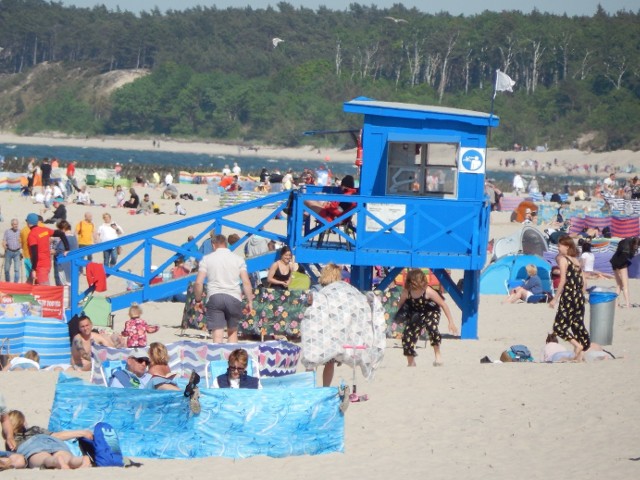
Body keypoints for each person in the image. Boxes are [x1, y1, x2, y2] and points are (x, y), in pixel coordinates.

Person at [193, 234, 254, 343]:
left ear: (213, 244)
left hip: (214, 296)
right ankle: (233, 358)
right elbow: (246, 282)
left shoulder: (206, 259)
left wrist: (198, 300)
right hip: (233, 296)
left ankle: (218, 357)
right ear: (226, 244)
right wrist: (249, 301)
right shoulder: (238, 259)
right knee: (232, 332)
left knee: (217, 333)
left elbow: (198, 283)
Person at [397, 268, 458, 367]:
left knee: (431, 327)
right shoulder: (406, 292)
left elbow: (443, 305)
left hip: (431, 310)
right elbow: (400, 305)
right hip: (415, 311)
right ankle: (411, 362)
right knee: (407, 336)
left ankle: (437, 355)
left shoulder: (428, 291)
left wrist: (451, 322)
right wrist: (400, 318)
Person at [548, 236, 590, 361]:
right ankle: (580, 356)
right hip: (578, 297)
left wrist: (555, 299)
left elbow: (562, 281)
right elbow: (584, 282)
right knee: (576, 325)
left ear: (567, 246)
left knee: (559, 328)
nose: (558, 247)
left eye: (560, 245)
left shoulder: (564, 260)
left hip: (568, 296)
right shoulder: (576, 261)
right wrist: (581, 296)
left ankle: (578, 346)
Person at [8, 410, 91, 469]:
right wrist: (83, 433)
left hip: (32, 447)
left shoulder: (11, 440)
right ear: (23, 423)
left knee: (45, 460)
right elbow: (57, 436)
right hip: (50, 440)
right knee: (68, 459)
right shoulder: (35, 429)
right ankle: (81, 459)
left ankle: (56, 461)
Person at [609, 236, 640, 308]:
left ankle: (616, 304)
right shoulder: (630, 249)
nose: (636, 247)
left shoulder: (625, 243)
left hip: (614, 262)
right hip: (622, 264)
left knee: (619, 285)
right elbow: (629, 256)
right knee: (625, 285)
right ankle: (627, 303)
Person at [26, 213, 53, 285]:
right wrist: (67, 248)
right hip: (47, 262)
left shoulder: (32, 234)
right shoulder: (45, 230)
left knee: (44, 288)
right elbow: (60, 233)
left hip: (40, 265)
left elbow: (34, 253)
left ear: (28, 223)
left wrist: (34, 269)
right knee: (30, 284)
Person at [52, 220, 74, 286]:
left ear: (63, 229)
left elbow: (60, 250)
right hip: (70, 264)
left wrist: (51, 251)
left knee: (61, 284)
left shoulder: (66, 237)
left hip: (62, 264)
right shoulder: (73, 237)